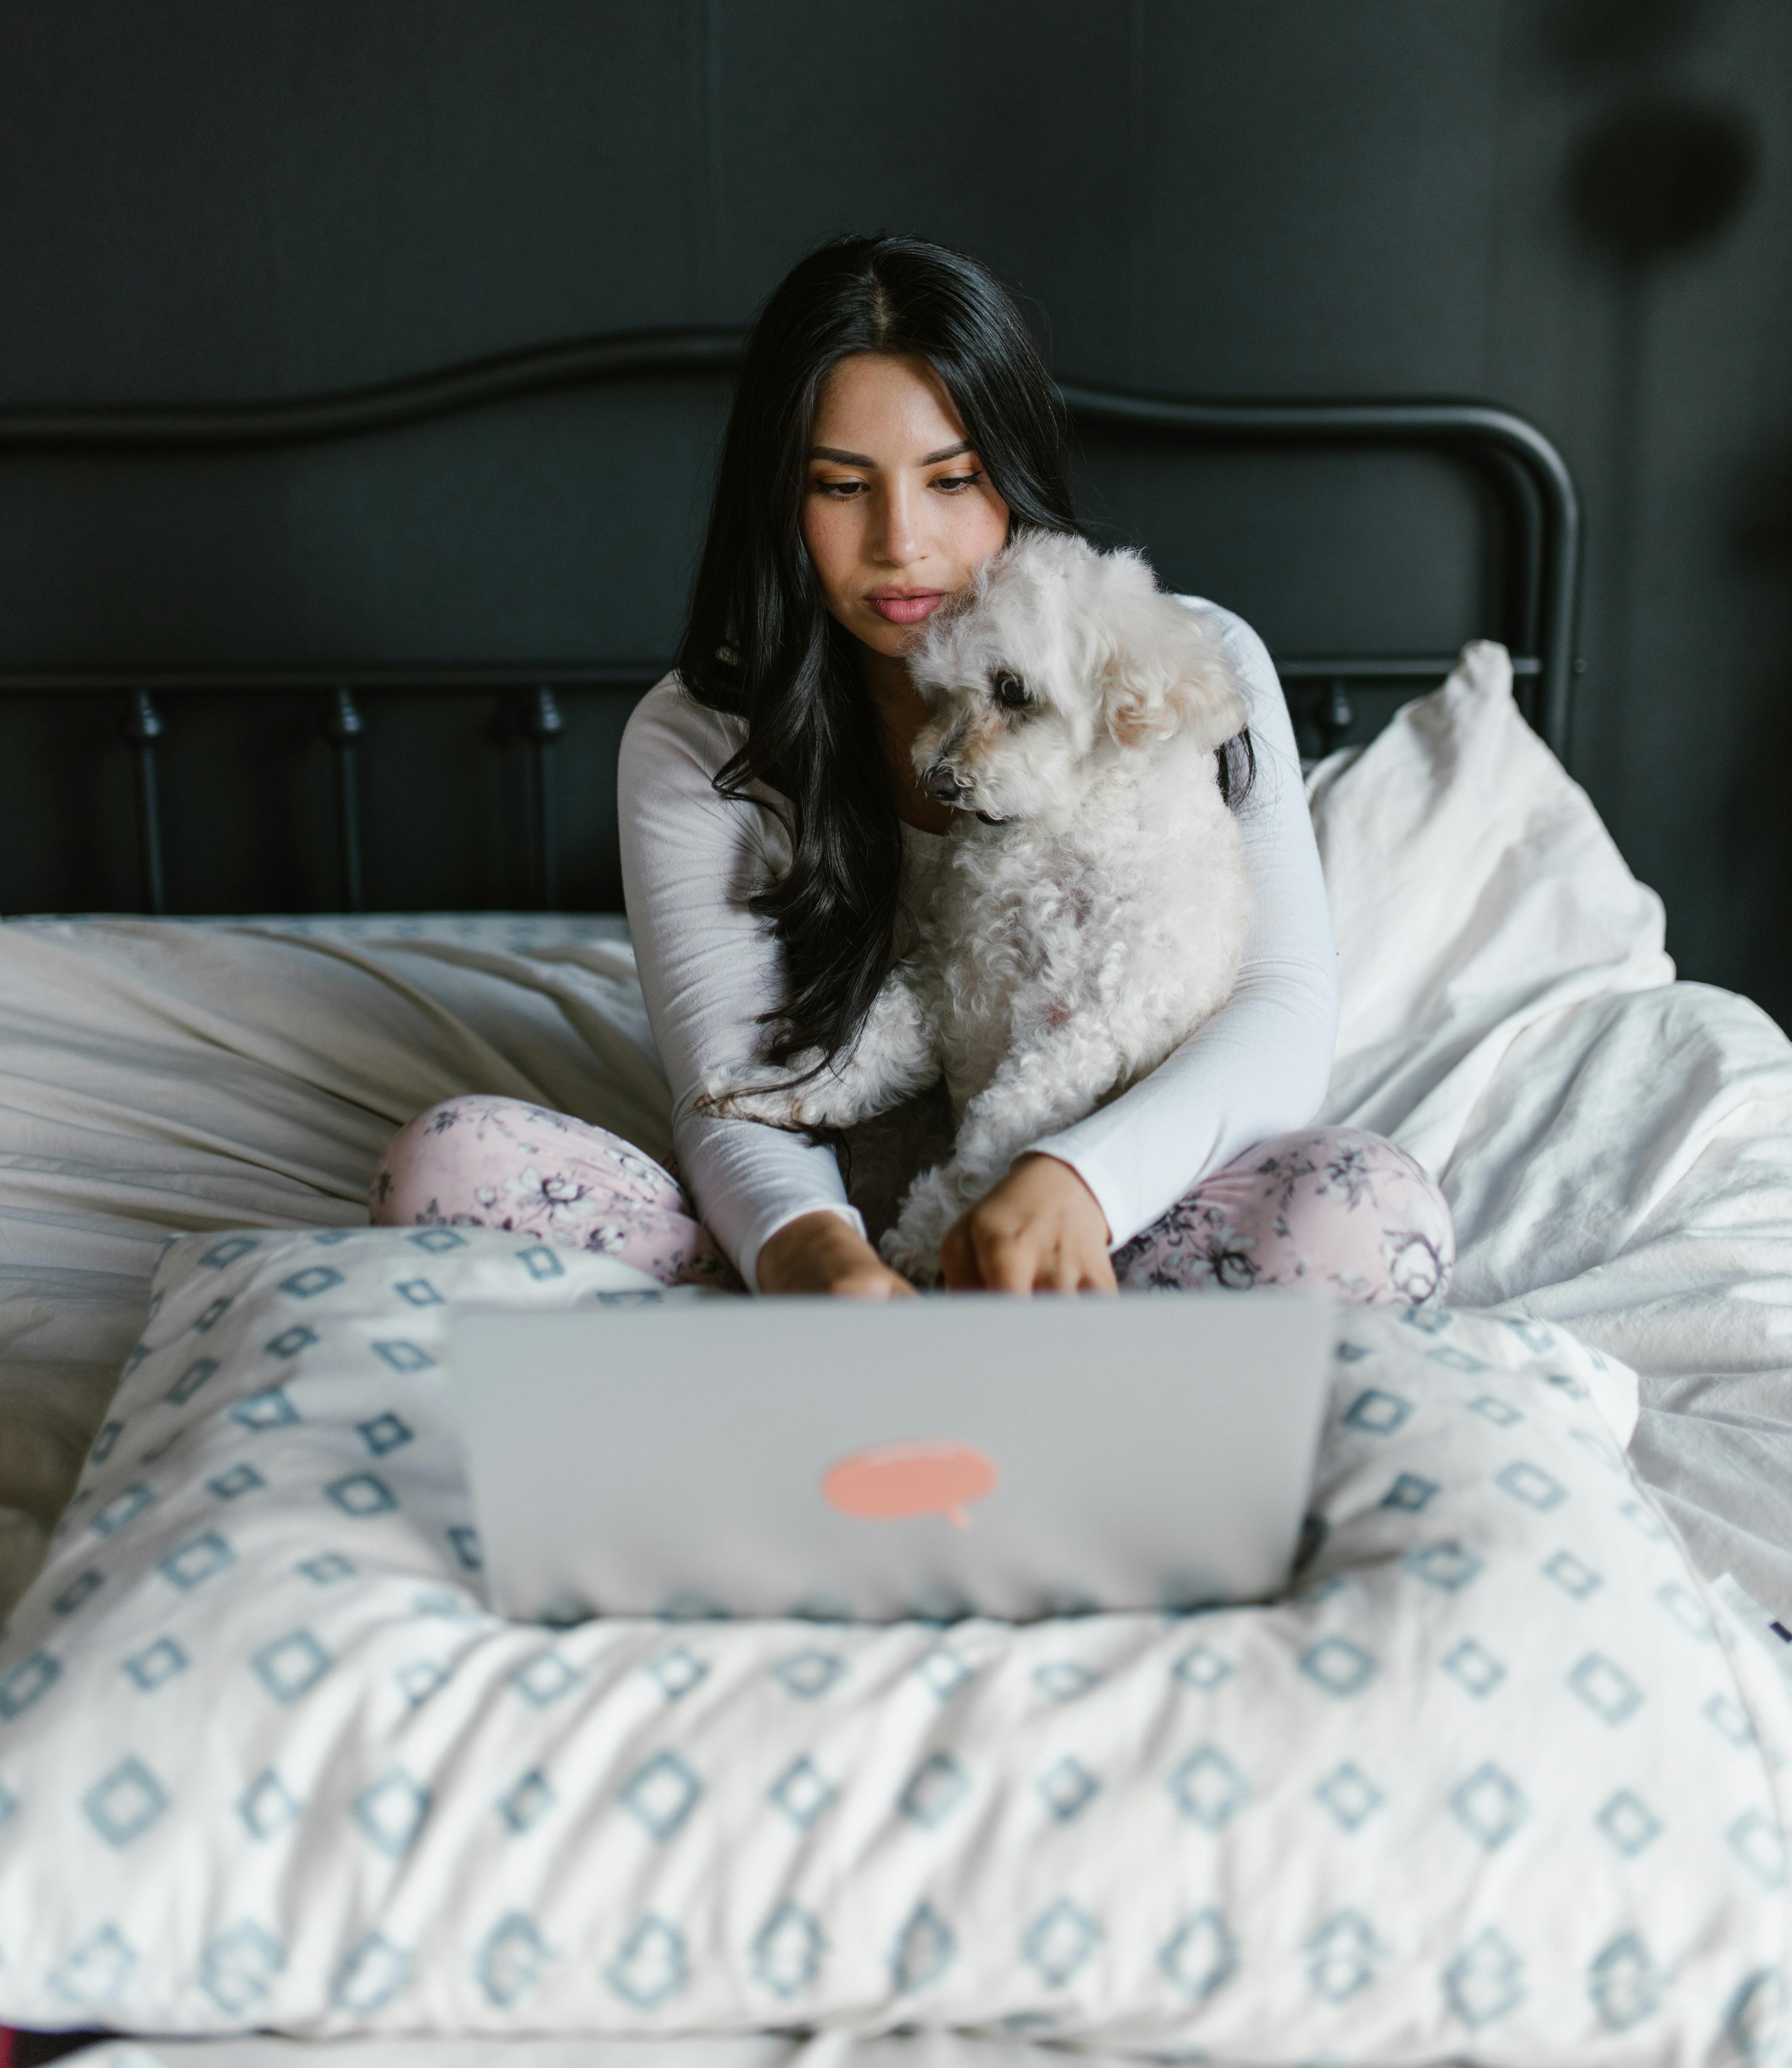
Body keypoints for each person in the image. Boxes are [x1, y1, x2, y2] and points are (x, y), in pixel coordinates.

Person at [373, 235, 1453, 1307]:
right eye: (842, 488)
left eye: (953, 482)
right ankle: (868, 1352)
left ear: (1014, 477)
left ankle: (1036, 1357)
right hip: (825, 1230)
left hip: (1115, 1206)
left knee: (1369, 1209)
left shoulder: (1178, 661)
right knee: (449, 1164)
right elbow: (738, 1084)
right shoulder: (700, 733)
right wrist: (812, 1257)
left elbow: (1279, 1010)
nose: (901, 542)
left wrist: (1079, 1184)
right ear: (781, 503)